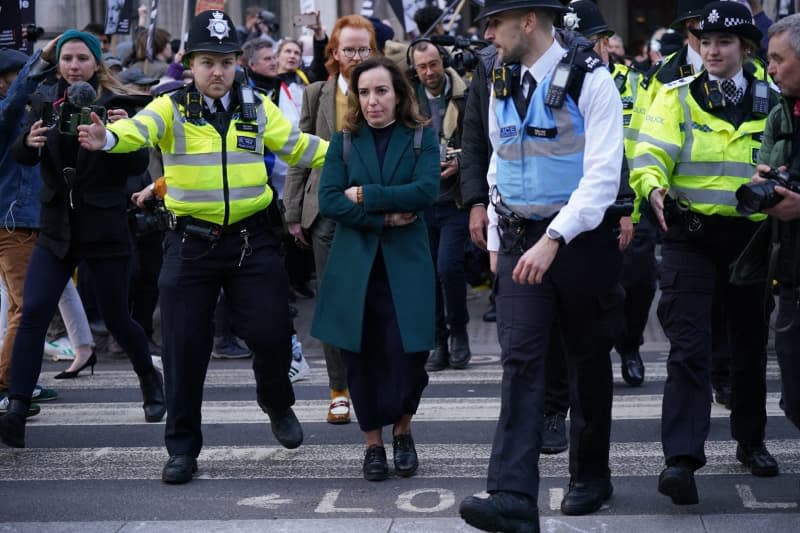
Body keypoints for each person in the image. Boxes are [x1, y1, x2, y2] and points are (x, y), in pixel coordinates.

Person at [76, 10, 328, 485]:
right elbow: (138, 130)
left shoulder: (257, 105)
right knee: (184, 351)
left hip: (254, 242)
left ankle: (275, 402)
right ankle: (183, 448)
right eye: (208, 62)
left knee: (273, 334)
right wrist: (107, 136)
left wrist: (351, 156)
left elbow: (299, 147)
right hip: (190, 246)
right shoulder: (170, 106)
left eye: (226, 62)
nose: (218, 72)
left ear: (238, 64)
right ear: (190, 64)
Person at [458, 1, 624, 530]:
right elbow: (498, 157)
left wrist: (555, 237)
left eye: (494, 24)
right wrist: (498, 235)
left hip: (579, 242)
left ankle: (591, 476)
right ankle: (513, 496)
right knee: (521, 362)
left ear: (527, 21)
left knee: (587, 361)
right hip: (518, 240)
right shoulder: (498, 75)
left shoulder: (593, 81)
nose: (486, 34)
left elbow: (602, 177)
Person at [631, 1, 779, 506]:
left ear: (745, 48)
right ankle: (680, 459)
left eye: (723, 42)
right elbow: (649, 151)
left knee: (748, 347)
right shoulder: (675, 96)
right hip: (689, 235)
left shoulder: (776, 98)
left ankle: (751, 440)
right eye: (704, 41)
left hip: (751, 241)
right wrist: (651, 188)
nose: (711, 50)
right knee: (688, 347)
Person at [0, 30, 166, 449]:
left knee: (116, 319)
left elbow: (135, 162)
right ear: (59, 65)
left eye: (82, 58)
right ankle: (16, 407)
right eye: (68, 58)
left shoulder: (116, 105)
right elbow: (20, 153)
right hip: (57, 228)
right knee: (34, 311)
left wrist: (115, 137)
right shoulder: (45, 101)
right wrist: (28, 142)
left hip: (104, 229)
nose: (74, 65)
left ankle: (149, 377)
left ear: (97, 64)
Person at [311, 56, 439, 481]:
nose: (372, 101)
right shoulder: (345, 140)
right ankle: (373, 445)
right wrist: (383, 216)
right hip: (356, 269)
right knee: (360, 358)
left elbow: (425, 191)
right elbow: (329, 200)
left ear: (398, 93)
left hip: (407, 266)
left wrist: (366, 194)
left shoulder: (420, 136)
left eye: (381, 91)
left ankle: (403, 430)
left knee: (409, 357)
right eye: (363, 92)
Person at [284, 14, 378, 426]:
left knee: (375, 300)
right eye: (349, 49)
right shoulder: (317, 94)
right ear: (334, 53)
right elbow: (299, 154)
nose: (356, 57)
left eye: (363, 49)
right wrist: (292, 212)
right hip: (324, 213)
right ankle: (339, 390)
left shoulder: (385, 90)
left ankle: (374, 383)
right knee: (334, 303)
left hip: (375, 211)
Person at [407, 39, 472, 372]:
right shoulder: (407, 99)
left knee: (449, 268)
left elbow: (479, 141)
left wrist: (459, 163)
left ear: (443, 62)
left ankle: (459, 333)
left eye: (433, 64)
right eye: (422, 67)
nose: (429, 72)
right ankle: (437, 340)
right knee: (426, 274)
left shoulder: (466, 94)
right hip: (422, 201)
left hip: (455, 199)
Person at [757, 11, 800, 438]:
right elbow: (765, 171)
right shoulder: (780, 115)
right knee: (794, 398)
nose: (770, 69)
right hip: (790, 274)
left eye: (777, 59)